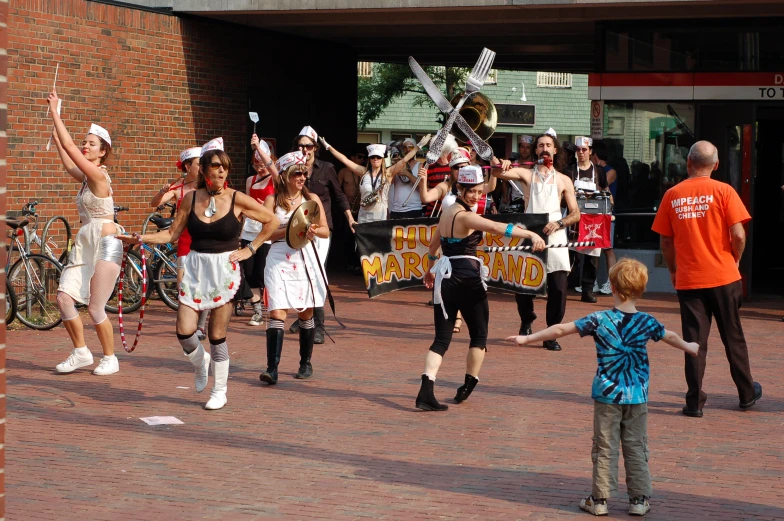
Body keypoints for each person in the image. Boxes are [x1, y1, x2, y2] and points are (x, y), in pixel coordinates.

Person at [506, 258, 699, 517]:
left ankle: (599, 500)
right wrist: (689, 346)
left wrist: (527, 338)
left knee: (605, 446)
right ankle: (639, 500)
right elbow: (671, 336)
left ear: (614, 288)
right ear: (640, 289)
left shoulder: (599, 319)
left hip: (607, 395)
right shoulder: (646, 321)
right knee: (636, 446)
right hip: (637, 396)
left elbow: (562, 329)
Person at [120, 138, 279, 410]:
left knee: (217, 335)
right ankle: (200, 362)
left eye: (225, 168)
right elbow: (172, 233)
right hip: (194, 267)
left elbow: (272, 220)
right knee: (184, 331)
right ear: (203, 169)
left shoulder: (237, 198)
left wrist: (250, 249)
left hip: (223, 269)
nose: (221, 172)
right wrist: (140, 238)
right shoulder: (190, 199)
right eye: (216, 166)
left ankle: (219, 391)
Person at [416, 165, 545, 411]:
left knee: (441, 340)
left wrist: (430, 270)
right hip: (466, 278)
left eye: (479, 191)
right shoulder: (466, 216)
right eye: (471, 192)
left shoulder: (445, 213)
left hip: (445, 278)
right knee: (479, 335)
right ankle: (469, 383)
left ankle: (426, 390)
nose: (476, 196)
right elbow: (498, 228)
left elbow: (434, 247)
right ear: (460, 189)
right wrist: (529, 234)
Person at [651, 140, 762, 417]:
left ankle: (694, 402)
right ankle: (746, 394)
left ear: (688, 162)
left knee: (693, 342)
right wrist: (735, 258)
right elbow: (738, 234)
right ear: (716, 165)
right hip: (724, 276)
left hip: (690, 279)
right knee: (733, 336)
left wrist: (674, 270)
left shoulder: (672, 195)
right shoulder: (724, 191)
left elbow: (666, 241)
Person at [47, 88, 124, 376]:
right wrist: (57, 139)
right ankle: (81, 352)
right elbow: (69, 162)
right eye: (84, 143)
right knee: (64, 297)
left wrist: (56, 111)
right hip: (85, 242)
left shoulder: (98, 175)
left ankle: (110, 357)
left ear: (103, 151)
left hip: (106, 242)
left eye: (90, 144)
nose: (85, 146)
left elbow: (71, 152)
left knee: (95, 307)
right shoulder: (85, 176)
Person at [492, 129, 581, 350]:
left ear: (555, 150)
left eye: (548, 145)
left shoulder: (563, 179)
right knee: (523, 285)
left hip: (556, 235)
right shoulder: (526, 174)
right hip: (531, 233)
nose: (544, 149)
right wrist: (500, 164)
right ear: (536, 150)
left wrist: (559, 223)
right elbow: (497, 174)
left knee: (559, 288)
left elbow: (575, 213)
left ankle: (551, 333)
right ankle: (527, 319)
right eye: (540, 145)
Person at [260, 151, 330, 385]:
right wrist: (292, 228)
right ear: (287, 175)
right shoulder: (272, 200)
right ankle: (272, 368)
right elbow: (266, 235)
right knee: (277, 311)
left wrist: (310, 231)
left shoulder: (312, 200)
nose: (302, 176)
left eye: (304, 172)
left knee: (305, 312)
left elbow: (325, 231)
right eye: (297, 173)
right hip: (279, 256)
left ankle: (305, 362)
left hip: (304, 257)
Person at [291, 126, 356, 343]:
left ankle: (318, 325)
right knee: (301, 272)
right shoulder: (292, 168)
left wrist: (349, 218)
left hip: (321, 229)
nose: (304, 149)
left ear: (315, 148)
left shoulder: (326, 168)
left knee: (316, 273)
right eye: (300, 146)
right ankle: (304, 315)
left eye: (308, 145)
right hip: (299, 228)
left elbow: (338, 196)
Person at [149, 146, 210, 339]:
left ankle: (200, 326)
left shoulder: (207, 187)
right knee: (183, 286)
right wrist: (162, 192)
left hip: (205, 241)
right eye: (199, 164)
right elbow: (154, 203)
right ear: (187, 166)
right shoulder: (179, 189)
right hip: (185, 242)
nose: (202, 167)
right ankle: (188, 324)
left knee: (205, 285)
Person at [321, 135, 430, 223]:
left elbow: (404, 160)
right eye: (373, 157)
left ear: (382, 159)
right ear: (369, 159)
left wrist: (418, 146)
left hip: (381, 219)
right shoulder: (363, 172)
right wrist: (328, 147)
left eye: (378, 157)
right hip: (364, 218)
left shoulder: (388, 173)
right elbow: (344, 160)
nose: (375, 159)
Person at [239, 135, 278, 326]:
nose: (259, 168)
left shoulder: (275, 179)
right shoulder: (250, 180)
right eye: (256, 165)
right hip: (249, 230)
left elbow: (272, 168)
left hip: (266, 233)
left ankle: (270, 307)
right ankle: (257, 310)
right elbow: (246, 205)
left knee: (265, 273)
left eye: (261, 164)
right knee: (249, 272)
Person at [568, 136, 609, 303]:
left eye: (584, 150)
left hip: (593, 220)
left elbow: (606, 190)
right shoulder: (569, 170)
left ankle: (587, 290)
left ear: (591, 151)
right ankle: (562, 287)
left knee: (592, 257)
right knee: (570, 256)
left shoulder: (598, 171)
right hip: (574, 219)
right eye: (578, 150)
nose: (581, 153)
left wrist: (609, 205)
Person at [591, 140, 618, 295]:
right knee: (594, 247)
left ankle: (610, 283)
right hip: (595, 213)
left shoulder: (610, 170)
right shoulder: (594, 170)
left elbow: (600, 185)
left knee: (608, 249)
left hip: (607, 213)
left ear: (595, 155)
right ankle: (593, 282)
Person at [388, 138, 426, 219]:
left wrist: (407, 174)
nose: (408, 150)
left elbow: (421, 185)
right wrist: (394, 169)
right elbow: (389, 184)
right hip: (396, 209)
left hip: (414, 208)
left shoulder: (420, 165)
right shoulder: (398, 165)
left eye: (411, 147)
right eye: (405, 147)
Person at [337, 145, 366, 219]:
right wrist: (345, 199)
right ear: (352, 158)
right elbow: (337, 190)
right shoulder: (343, 172)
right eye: (360, 157)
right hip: (346, 205)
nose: (362, 159)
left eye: (363, 158)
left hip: (359, 206)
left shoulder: (364, 172)